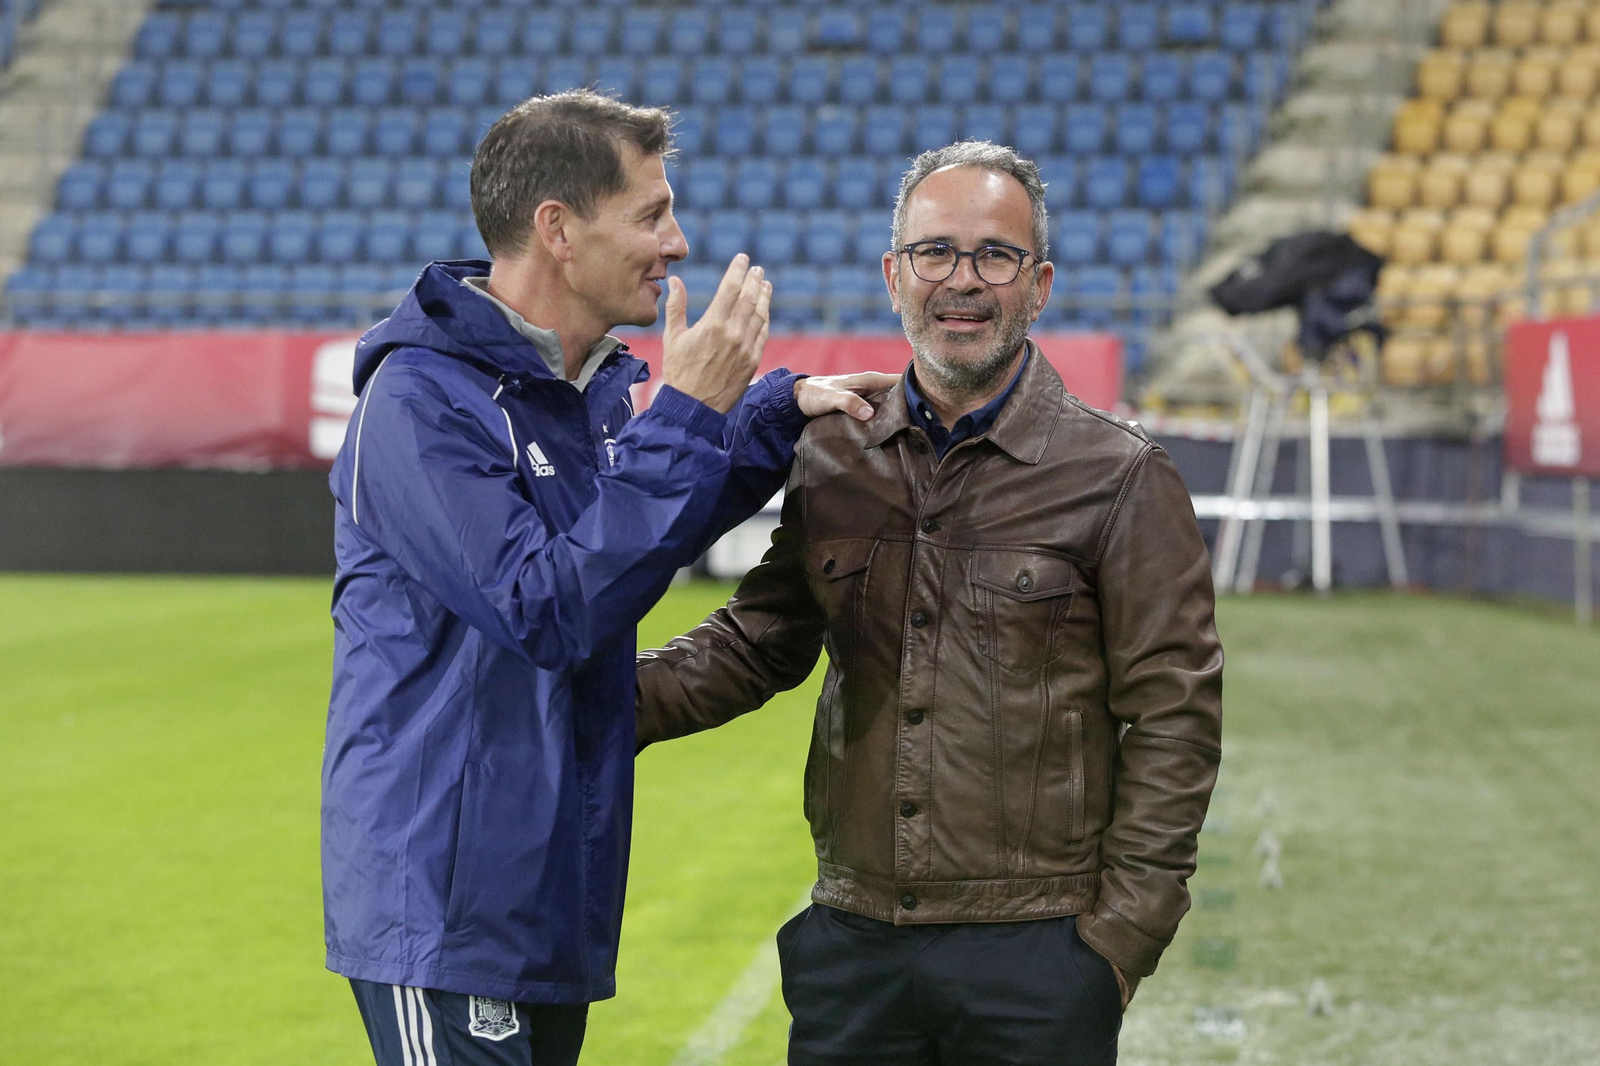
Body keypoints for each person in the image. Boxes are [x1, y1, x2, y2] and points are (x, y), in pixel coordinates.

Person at [320, 90, 892, 1066]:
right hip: (448, 902)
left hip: (549, 890)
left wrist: (776, 412)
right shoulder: (420, 402)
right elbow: (548, 605)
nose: (675, 241)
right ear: (558, 230)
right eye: (650, 213)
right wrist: (690, 410)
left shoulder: (595, 389)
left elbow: (645, 526)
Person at [636, 141, 1225, 1066]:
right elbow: (757, 643)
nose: (963, 280)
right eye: (936, 252)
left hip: (1041, 952)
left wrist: (1116, 945)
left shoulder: (1119, 475)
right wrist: (582, 702)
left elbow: (1174, 717)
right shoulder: (834, 453)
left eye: (995, 255)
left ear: (1040, 285)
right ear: (893, 275)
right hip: (855, 948)